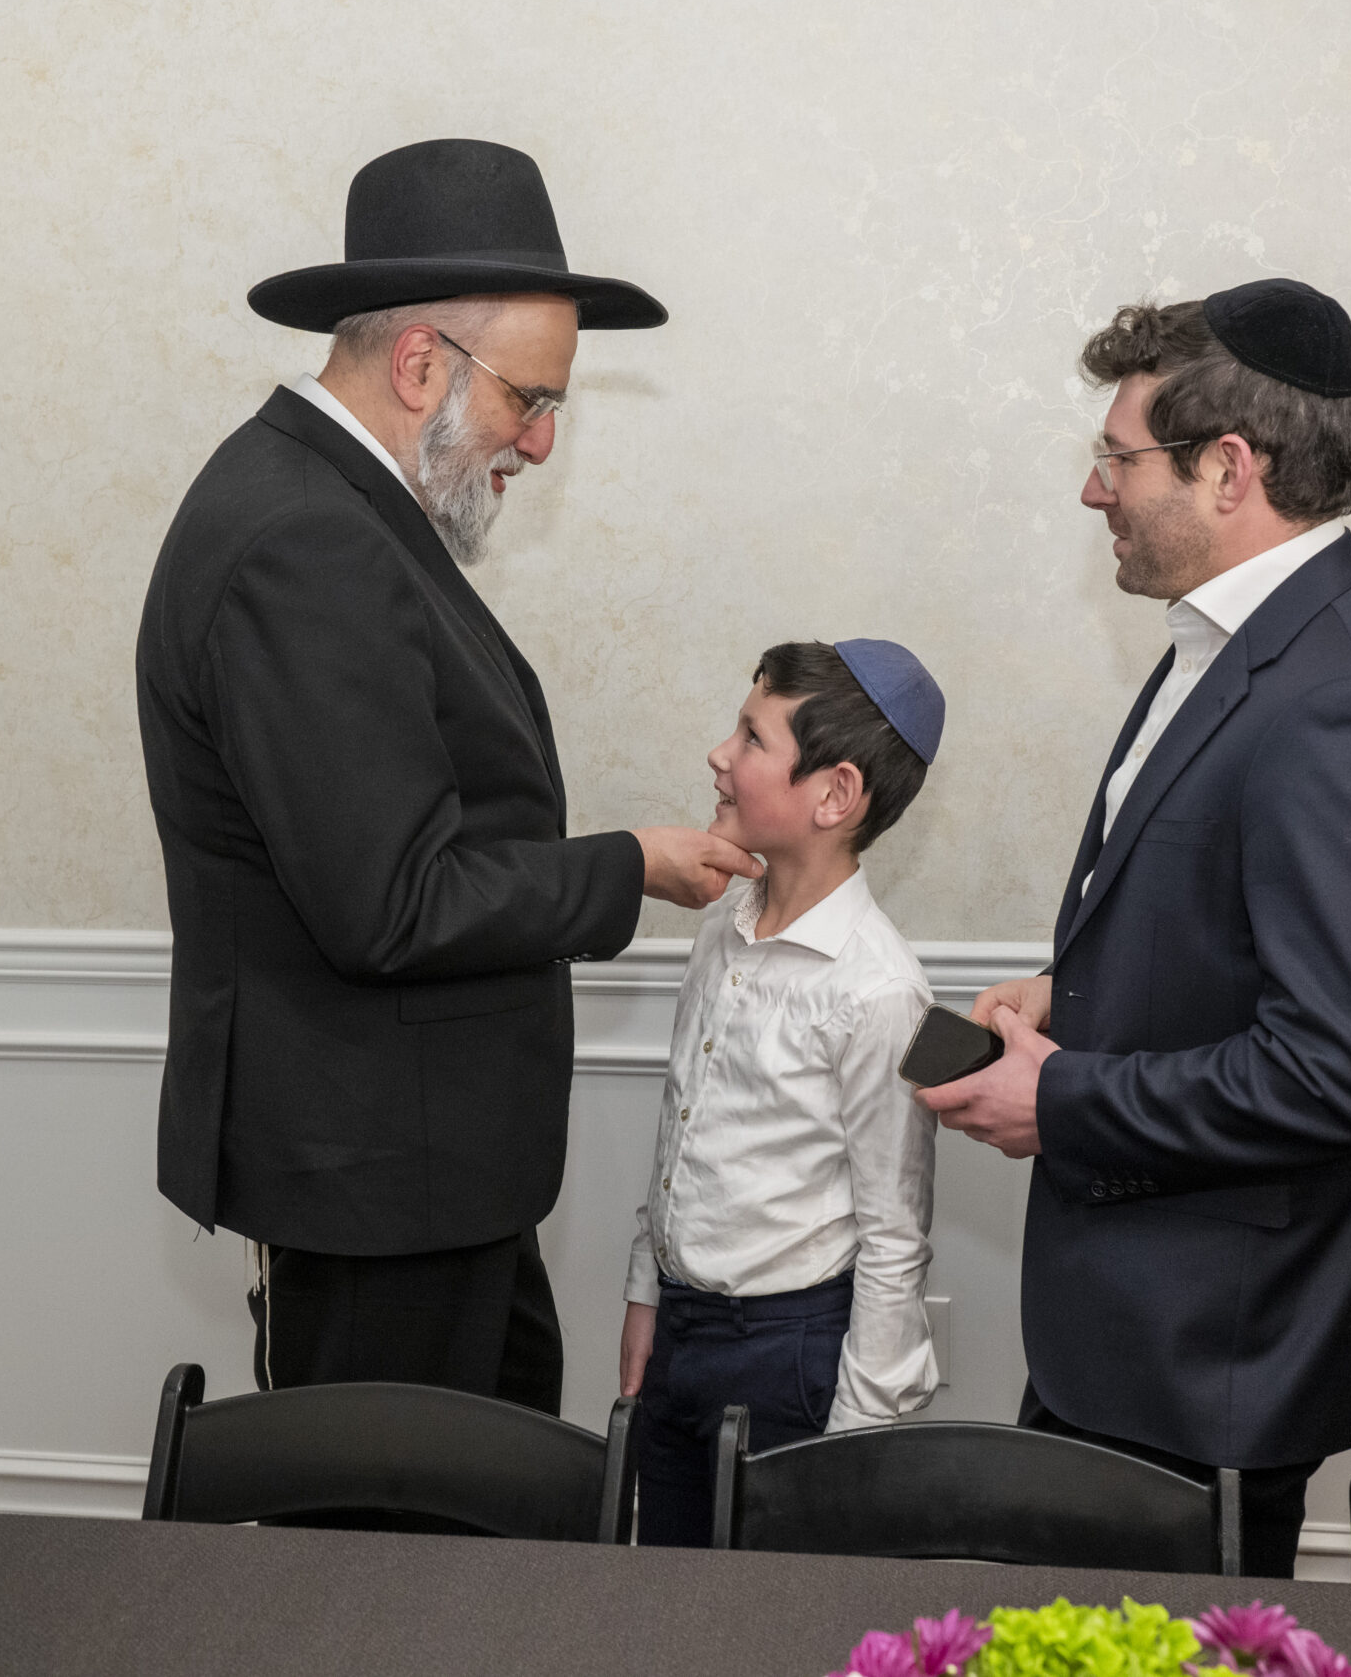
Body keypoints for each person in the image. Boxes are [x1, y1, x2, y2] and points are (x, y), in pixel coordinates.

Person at [136, 139, 757, 1413]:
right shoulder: (306, 540)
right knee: (387, 1535)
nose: (540, 442)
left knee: (493, 1511)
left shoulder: (335, 509)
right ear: (420, 363)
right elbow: (392, 905)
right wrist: (627, 867)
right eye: (531, 399)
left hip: (418, 1172)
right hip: (373, 1182)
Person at [921, 280, 1351, 1577]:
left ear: (1229, 469)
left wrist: (1061, 1098)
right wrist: (1075, 988)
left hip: (1221, 1335)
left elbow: (1342, 1068)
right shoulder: (1235, 642)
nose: (1092, 490)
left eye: (1117, 459)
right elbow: (1240, 923)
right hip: (1152, 1316)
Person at [618, 640, 945, 1545]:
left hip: (788, 1359)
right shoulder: (723, 924)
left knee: (772, 1604)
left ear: (835, 794)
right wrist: (647, 1293)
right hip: (681, 1330)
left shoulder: (879, 990)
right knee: (669, 1587)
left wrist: (855, 1439)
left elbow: (894, 1234)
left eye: (752, 738)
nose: (719, 754)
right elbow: (681, 1122)